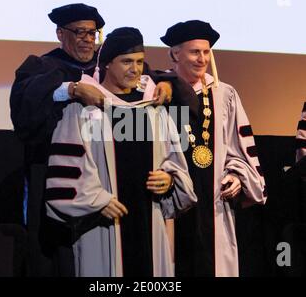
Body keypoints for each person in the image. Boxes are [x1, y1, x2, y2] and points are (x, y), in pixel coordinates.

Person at [44, 27, 197, 276]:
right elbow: (69, 165)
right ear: (106, 64)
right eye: (126, 61)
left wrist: (170, 179)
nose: (135, 69)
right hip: (102, 222)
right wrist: (96, 200)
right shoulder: (85, 109)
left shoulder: (154, 110)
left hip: (150, 219)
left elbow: (175, 161)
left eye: (139, 62)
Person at [10, 3, 198, 167]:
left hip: (112, 161)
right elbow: (27, 100)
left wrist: (166, 85)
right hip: (57, 163)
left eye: (92, 33)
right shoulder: (44, 67)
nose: (88, 39)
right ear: (60, 33)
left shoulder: (109, 64)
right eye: (80, 32)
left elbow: (147, 77)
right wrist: (72, 90)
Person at [160, 20, 267, 277]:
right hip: (171, 196)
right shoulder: (159, 90)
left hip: (214, 201)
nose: (202, 59)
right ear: (176, 53)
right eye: (195, 52)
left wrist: (237, 176)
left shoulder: (224, 94)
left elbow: (237, 147)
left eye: (206, 52)